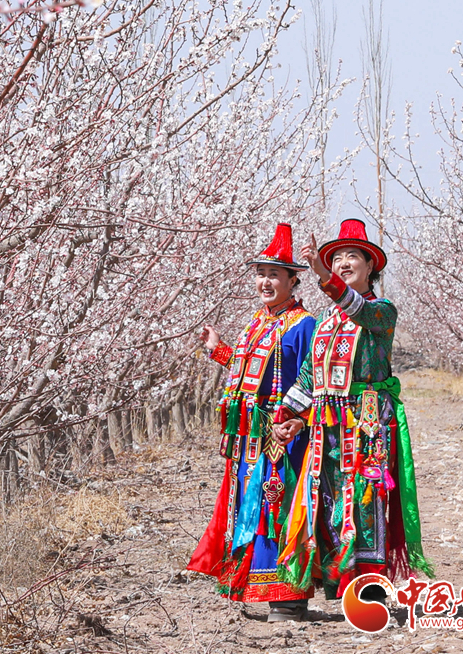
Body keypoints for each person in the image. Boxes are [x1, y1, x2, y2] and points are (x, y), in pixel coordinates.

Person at [272, 219, 433, 602]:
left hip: (367, 422)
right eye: (337, 258)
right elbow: (310, 375)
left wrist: (323, 275)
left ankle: (369, 589)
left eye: (352, 257)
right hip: (326, 427)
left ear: (370, 266)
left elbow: (356, 307)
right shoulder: (326, 322)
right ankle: (338, 581)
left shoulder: (382, 312)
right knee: (328, 499)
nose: (343, 263)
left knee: (365, 499)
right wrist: (290, 417)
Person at [187, 223, 317, 622]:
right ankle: (254, 586)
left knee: (277, 508)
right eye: (261, 274)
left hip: (282, 434)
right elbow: (250, 374)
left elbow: (313, 376)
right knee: (249, 508)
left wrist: (296, 419)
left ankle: (289, 596)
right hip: (248, 436)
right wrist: (219, 350)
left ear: (293, 280)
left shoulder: (303, 324)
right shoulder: (257, 322)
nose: (265, 282)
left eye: (274, 274)